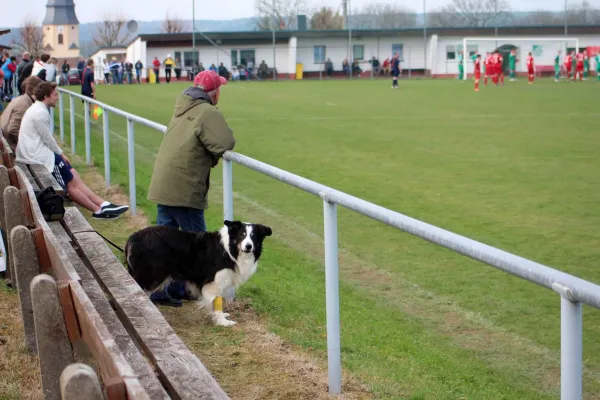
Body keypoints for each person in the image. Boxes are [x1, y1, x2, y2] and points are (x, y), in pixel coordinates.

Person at [147, 70, 236, 307]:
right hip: (184, 189)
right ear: (214, 92)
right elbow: (225, 142)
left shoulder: (181, 107)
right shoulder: (207, 112)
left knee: (166, 243)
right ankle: (205, 292)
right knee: (200, 245)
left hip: (163, 185)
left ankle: (168, 288)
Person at [15, 82, 129, 220]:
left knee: (72, 173)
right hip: (37, 157)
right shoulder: (40, 113)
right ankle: (97, 211)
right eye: (55, 95)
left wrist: (60, 154)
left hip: (36, 154)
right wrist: (60, 153)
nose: (57, 97)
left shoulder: (38, 109)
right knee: (70, 183)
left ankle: (104, 204)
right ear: (46, 97)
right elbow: (48, 139)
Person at [1, 76, 42, 152]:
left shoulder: (21, 100)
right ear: (36, 91)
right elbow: (13, 130)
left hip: (7, 145)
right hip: (10, 148)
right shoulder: (24, 105)